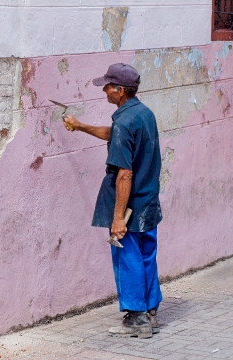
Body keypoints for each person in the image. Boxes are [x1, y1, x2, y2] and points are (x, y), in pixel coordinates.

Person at [63, 63, 163, 339]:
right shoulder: (142, 113)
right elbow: (117, 135)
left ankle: (136, 320)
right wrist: (81, 126)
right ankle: (150, 311)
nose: (104, 90)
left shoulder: (125, 120)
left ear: (119, 91)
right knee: (146, 255)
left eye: (107, 86)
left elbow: (124, 175)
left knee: (127, 256)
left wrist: (118, 218)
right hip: (148, 200)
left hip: (130, 203)